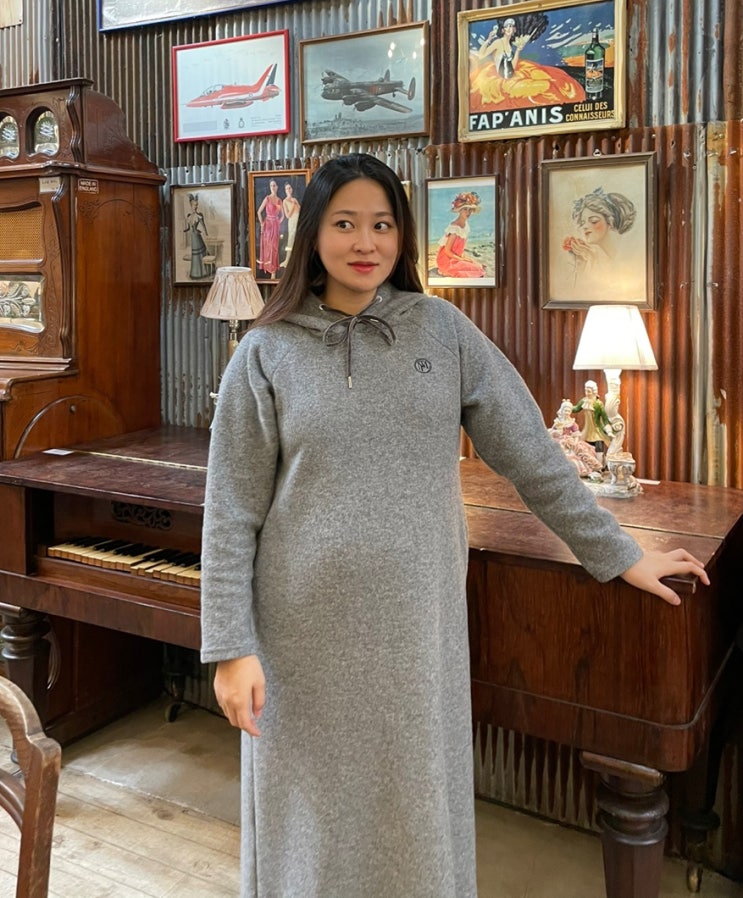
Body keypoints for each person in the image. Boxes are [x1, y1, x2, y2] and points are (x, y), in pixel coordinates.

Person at [200, 153, 709, 898]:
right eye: (344, 223)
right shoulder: (265, 352)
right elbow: (230, 513)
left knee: (413, 813)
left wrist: (619, 552)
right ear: (312, 235)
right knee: (306, 823)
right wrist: (230, 647)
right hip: (299, 638)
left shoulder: (442, 331)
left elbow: (532, 455)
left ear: (403, 236)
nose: (365, 242)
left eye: (382, 224)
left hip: (417, 629)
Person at [561, 187, 639, 297]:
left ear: (610, 222)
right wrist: (584, 263)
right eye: (582, 222)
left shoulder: (627, 259)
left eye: (593, 221)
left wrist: (591, 260)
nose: (585, 227)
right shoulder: (596, 256)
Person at [435, 190, 486, 278]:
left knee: (478, 266)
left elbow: (459, 249)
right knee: (477, 270)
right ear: (459, 210)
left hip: (455, 258)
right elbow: (447, 251)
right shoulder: (454, 228)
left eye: (470, 210)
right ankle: (445, 270)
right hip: (447, 260)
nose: (468, 212)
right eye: (465, 209)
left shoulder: (466, 226)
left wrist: (466, 259)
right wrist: (462, 259)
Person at [572, 379, 611, 456]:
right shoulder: (584, 401)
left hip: (597, 431)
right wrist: (567, 406)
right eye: (585, 391)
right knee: (586, 449)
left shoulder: (598, 404)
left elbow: (605, 418)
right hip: (587, 431)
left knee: (599, 449)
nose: (587, 393)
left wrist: (608, 430)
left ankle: (600, 462)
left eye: (589, 391)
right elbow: (576, 409)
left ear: (594, 392)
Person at [256, 178, 284, 279]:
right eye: (271, 185)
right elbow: (259, 212)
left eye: (274, 185)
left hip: (275, 226)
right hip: (267, 226)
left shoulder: (279, 200)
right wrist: (262, 224)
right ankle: (269, 269)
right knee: (268, 247)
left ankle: (273, 271)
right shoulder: (267, 198)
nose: (273, 187)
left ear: (277, 187)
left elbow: (283, 215)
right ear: (269, 187)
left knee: (274, 247)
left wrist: (278, 222)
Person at [183, 193, 209, 280]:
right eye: (194, 205)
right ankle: (196, 273)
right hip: (193, 236)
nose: (196, 207)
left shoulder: (199, 215)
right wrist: (185, 230)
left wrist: (206, 233)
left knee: (201, 253)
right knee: (195, 255)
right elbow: (188, 228)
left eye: (196, 205)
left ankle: (204, 271)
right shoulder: (189, 216)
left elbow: (203, 225)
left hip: (197, 236)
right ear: (191, 205)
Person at [280, 181, 301, 268]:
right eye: (287, 189)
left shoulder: (294, 199)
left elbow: (300, 210)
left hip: (298, 220)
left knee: (298, 239)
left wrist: (296, 203)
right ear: (285, 190)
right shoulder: (285, 201)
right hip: (292, 221)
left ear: (291, 189)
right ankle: (288, 260)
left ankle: (297, 260)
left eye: (289, 188)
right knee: (291, 239)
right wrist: (293, 205)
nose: (288, 190)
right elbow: (288, 215)